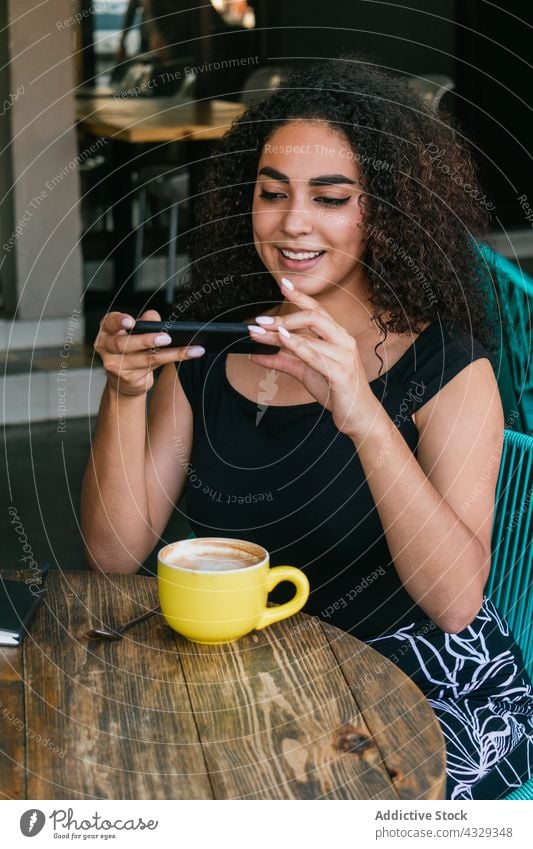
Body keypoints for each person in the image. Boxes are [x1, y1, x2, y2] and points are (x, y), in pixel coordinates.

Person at [82, 58, 533, 800]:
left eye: (329, 198)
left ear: (383, 211)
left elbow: (454, 602)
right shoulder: (210, 354)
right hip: (258, 679)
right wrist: (126, 393)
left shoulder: (449, 370)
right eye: (272, 194)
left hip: (422, 694)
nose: (292, 222)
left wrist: (360, 411)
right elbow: (112, 551)